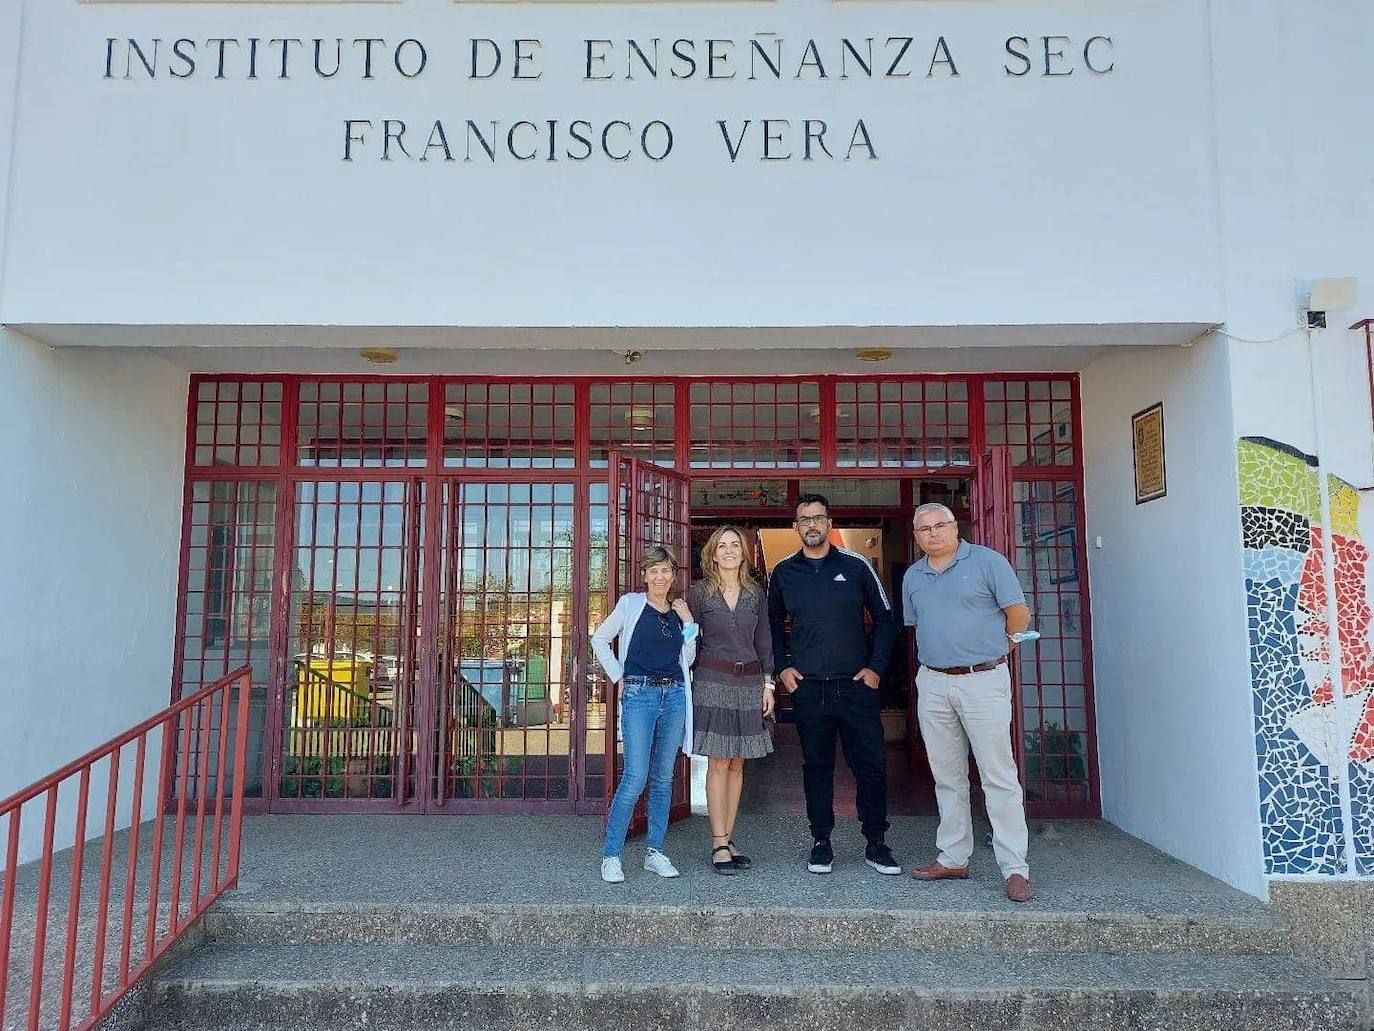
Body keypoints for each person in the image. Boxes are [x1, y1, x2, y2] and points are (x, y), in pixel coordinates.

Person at [902, 503, 1034, 903]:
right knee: (947, 775)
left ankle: (1014, 867)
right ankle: (954, 856)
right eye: (924, 529)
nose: (933, 533)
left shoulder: (988, 563)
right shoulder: (914, 575)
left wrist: (1001, 649)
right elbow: (918, 625)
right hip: (935, 682)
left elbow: (1019, 616)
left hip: (983, 679)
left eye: (939, 526)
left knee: (998, 775)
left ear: (955, 527)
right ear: (916, 535)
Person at [767, 494, 901, 877]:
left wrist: (876, 668)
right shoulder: (783, 572)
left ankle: (876, 841)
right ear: (796, 527)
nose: (811, 525)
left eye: (818, 518)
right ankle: (821, 841)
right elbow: (772, 625)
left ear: (829, 523)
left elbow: (886, 619)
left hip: (856, 687)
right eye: (804, 519)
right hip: (809, 689)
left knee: (871, 766)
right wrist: (782, 668)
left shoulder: (855, 565)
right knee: (817, 767)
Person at [591, 544, 698, 883]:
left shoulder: (678, 611)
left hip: (675, 694)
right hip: (640, 694)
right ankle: (611, 854)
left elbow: (689, 658)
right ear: (644, 576)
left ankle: (655, 851)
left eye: (665, 570)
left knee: (664, 777)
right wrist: (618, 675)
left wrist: (689, 622)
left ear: (673, 574)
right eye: (653, 571)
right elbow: (599, 639)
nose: (660, 576)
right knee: (636, 776)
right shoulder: (631, 604)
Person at [688, 525, 775, 876]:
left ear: (743, 552)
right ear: (712, 553)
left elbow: (766, 642)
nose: (728, 550)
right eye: (721, 545)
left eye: (734, 545)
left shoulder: (756, 594)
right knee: (719, 763)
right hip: (712, 681)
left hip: (750, 682)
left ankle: (729, 836)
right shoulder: (699, 593)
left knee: (739, 763)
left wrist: (768, 685)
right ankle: (718, 842)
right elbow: (687, 640)